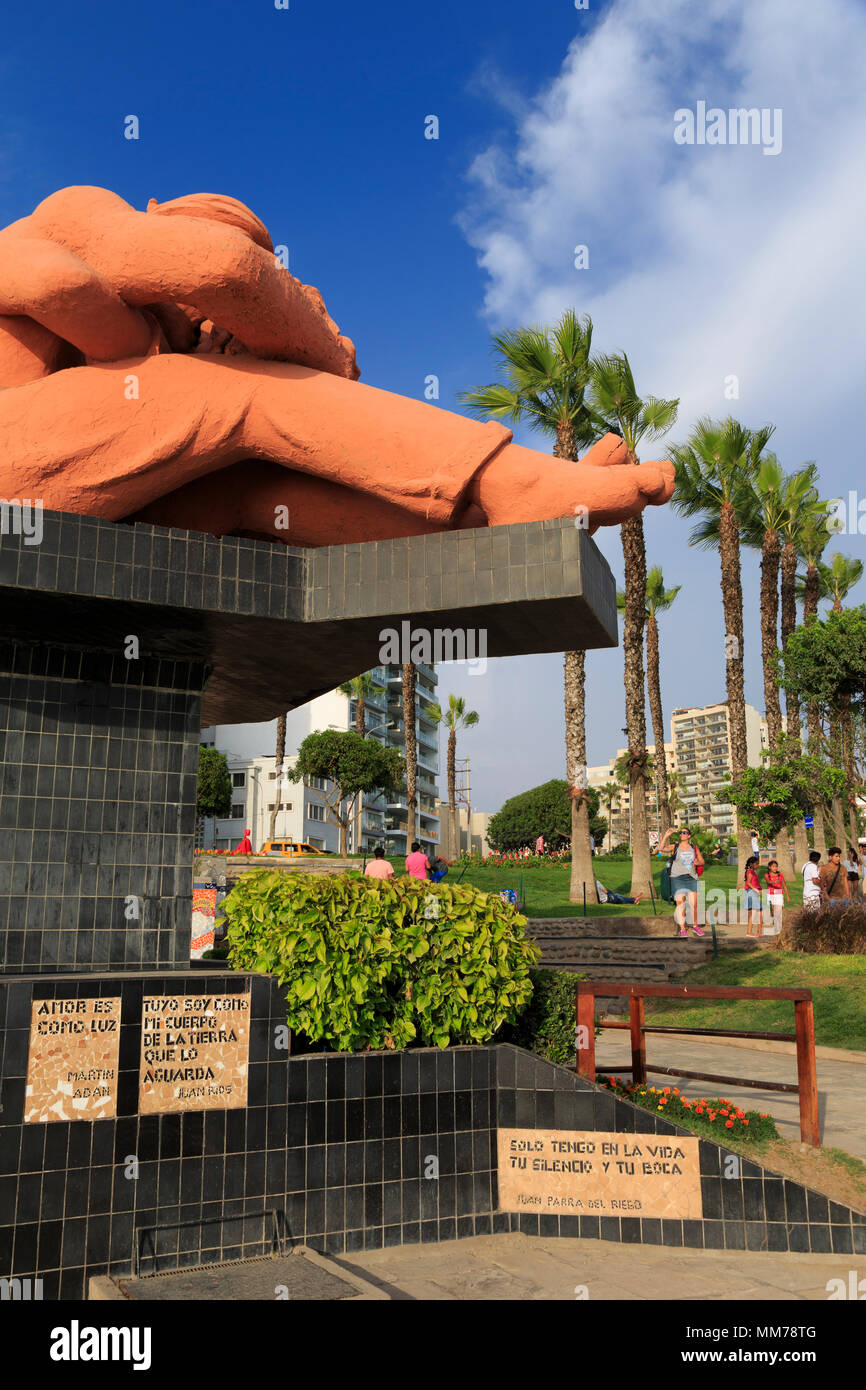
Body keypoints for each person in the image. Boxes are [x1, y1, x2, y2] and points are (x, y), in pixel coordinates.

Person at [658, 826, 705, 937]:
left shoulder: (694, 848)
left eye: (684, 833)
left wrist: (697, 863)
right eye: (681, 833)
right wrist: (666, 836)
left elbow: (702, 861)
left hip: (691, 878)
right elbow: (661, 848)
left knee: (694, 904)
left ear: (689, 835)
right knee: (680, 904)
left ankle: (695, 926)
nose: (682, 834)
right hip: (677, 878)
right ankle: (682, 929)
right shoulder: (675, 847)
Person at [763, 858, 788, 935]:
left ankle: (777, 925)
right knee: (773, 910)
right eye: (773, 866)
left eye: (776, 866)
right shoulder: (766, 875)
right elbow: (768, 881)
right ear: (769, 867)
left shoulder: (780, 875)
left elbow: (784, 885)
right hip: (770, 894)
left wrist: (787, 895)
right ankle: (774, 921)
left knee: (779, 910)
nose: (775, 868)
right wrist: (774, 881)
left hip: (779, 893)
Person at [744, 855, 762, 936]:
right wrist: (756, 890)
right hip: (752, 893)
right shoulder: (750, 872)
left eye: (758, 864)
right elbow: (748, 883)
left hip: (754, 893)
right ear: (751, 864)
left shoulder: (753, 872)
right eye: (756, 864)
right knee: (754, 913)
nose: (758, 865)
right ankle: (749, 932)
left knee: (759, 912)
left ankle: (758, 931)